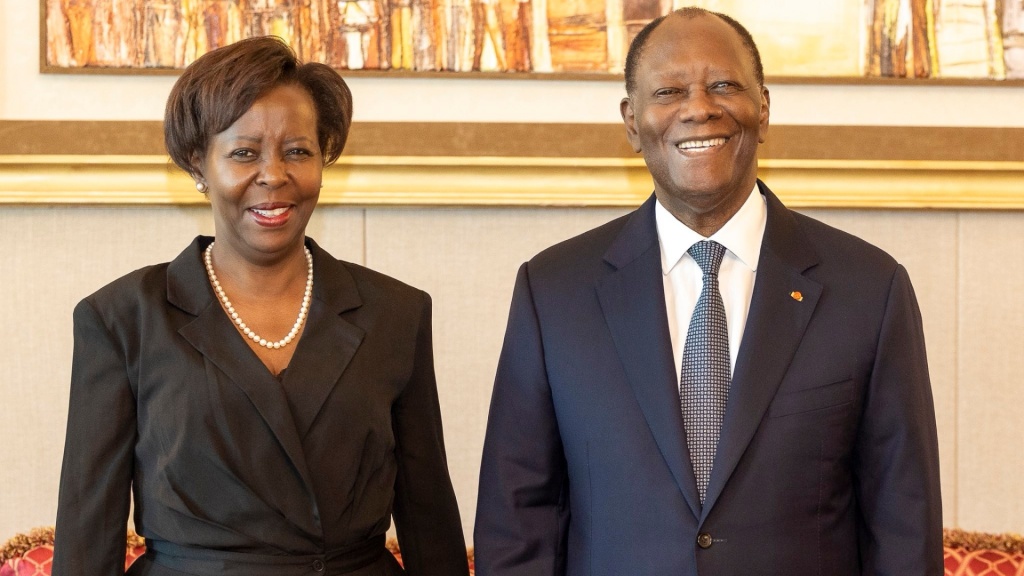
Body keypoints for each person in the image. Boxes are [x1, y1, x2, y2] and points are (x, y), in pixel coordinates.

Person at [474, 7, 942, 575]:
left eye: (723, 85)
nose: (699, 108)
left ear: (763, 109)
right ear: (631, 122)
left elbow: (902, 525)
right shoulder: (553, 294)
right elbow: (517, 521)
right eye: (669, 91)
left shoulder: (869, 290)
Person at [53, 36, 469, 576]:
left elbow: (429, 519)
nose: (274, 174)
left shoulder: (396, 313)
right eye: (244, 153)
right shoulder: (121, 318)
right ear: (198, 164)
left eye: (297, 151)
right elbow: (88, 534)